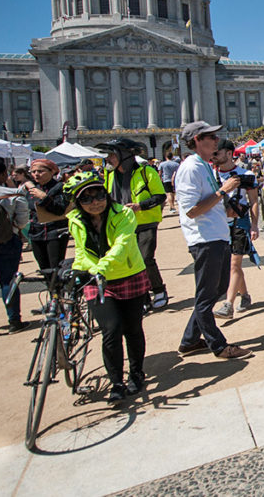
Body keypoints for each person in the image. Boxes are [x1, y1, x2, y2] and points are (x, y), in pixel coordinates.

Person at [63, 172, 151, 402]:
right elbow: (81, 251)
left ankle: (136, 373)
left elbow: (122, 245)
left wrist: (100, 268)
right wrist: (78, 271)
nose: (95, 202)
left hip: (128, 274)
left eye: (99, 195)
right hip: (97, 280)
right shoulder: (75, 220)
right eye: (86, 199)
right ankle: (116, 382)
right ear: (78, 202)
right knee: (111, 330)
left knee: (133, 328)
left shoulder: (124, 214)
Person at [173, 121, 252, 360]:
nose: (217, 140)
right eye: (211, 136)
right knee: (207, 295)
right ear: (197, 140)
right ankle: (218, 345)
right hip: (204, 239)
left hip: (216, 236)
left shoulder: (203, 166)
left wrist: (229, 208)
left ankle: (189, 340)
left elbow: (207, 203)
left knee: (216, 289)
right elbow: (191, 210)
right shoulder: (191, 168)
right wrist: (223, 191)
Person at [97, 138, 169, 310]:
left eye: (112, 155)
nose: (109, 159)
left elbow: (160, 196)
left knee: (145, 258)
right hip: (121, 224)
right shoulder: (110, 174)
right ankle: (142, 296)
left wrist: (140, 206)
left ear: (126, 155)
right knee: (129, 261)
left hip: (145, 222)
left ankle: (159, 290)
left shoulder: (146, 172)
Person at [211, 140, 260, 319]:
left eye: (217, 152)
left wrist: (254, 225)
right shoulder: (209, 174)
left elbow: (254, 200)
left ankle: (228, 305)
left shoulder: (245, 175)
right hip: (218, 224)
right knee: (229, 264)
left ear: (229, 153)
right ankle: (245, 295)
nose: (213, 155)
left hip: (240, 222)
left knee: (234, 264)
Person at [0, 161, 30, 333]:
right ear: (2, 175)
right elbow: (23, 220)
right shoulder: (13, 194)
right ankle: (14, 321)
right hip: (8, 241)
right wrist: (15, 229)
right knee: (9, 281)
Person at [19, 159, 70, 275]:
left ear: (52, 172)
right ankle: (51, 290)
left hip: (55, 232)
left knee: (56, 268)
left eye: (40, 171)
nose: (36, 174)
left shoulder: (60, 187)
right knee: (44, 268)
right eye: (33, 171)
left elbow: (59, 210)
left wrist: (44, 197)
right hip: (36, 233)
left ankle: (58, 291)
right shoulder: (32, 189)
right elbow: (31, 205)